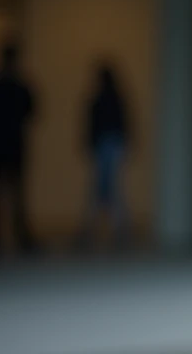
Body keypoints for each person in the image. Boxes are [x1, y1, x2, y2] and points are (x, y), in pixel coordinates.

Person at [79, 62, 131, 248]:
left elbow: (94, 125)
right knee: (108, 188)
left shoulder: (101, 99)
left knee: (104, 188)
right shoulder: (114, 98)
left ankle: (94, 230)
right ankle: (112, 230)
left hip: (106, 145)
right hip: (111, 145)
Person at [0, 41, 37, 254]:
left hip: (5, 145)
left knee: (13, 194)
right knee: (17, 194)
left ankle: (20, 237)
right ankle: (22, 238)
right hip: (15, 144)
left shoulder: (5, 85)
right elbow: (32, 110)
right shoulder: (20, 85)